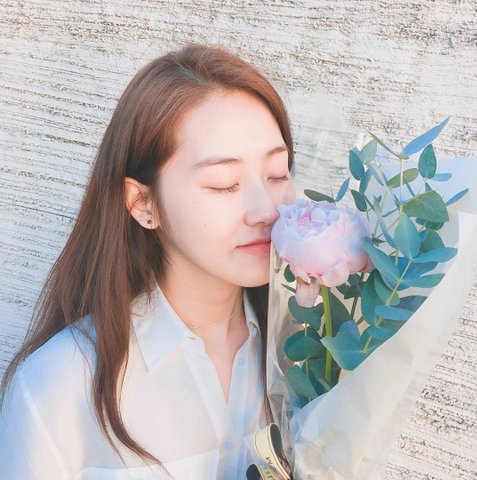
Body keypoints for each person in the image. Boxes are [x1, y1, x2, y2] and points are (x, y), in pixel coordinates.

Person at [0, 42, 296, 480]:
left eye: (277, 174)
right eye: (224, 183)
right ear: (143, 203)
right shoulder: (60, 384)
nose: (267, 210)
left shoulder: (310, 354)